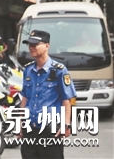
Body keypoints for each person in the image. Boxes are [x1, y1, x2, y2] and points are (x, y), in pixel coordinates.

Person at [19, 30, 77, 159]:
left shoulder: (59, 70)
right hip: (29, 128)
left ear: (47, 46)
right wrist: (19, 122)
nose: (31, 47)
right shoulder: (28, 70)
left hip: (50, 130)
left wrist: (66, 124)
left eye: (35, 44)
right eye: (29, 44)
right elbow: (25, 98)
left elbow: (67, 99)